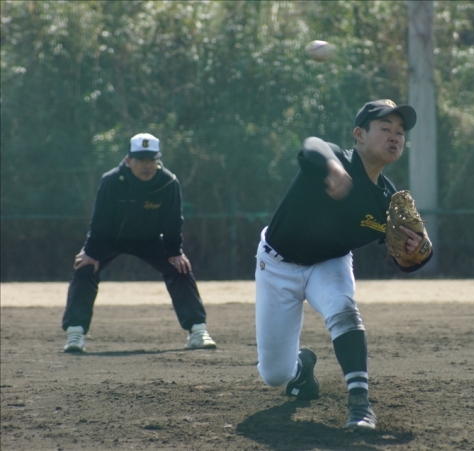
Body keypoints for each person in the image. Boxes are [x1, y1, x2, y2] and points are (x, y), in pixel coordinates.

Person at [254, 99, 433, 430]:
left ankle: (360, 404)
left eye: (400, 132)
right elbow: (311, 145)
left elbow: (406, 263)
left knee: (343, 309)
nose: (395, 136)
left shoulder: (387, 202)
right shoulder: (334, 159)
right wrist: (332, 168)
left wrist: (420, 251)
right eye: (385, 128)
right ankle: (300, 371)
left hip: (329, 263)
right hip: (277, 265)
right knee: (274, 375)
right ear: (359, 135)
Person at [61, 133, 217, 352]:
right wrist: (91, 253)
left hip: (149, 240)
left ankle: (198, 331)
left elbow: (173, 222)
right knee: (84, 267)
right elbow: (100, 221)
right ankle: (75, 334)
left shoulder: (168, 183)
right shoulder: (111, 181)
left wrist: (175, 251)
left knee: (179, 267)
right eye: (141, 160)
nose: (147, 166)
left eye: (151, 160)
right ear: (128, 160)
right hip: (110, 239)